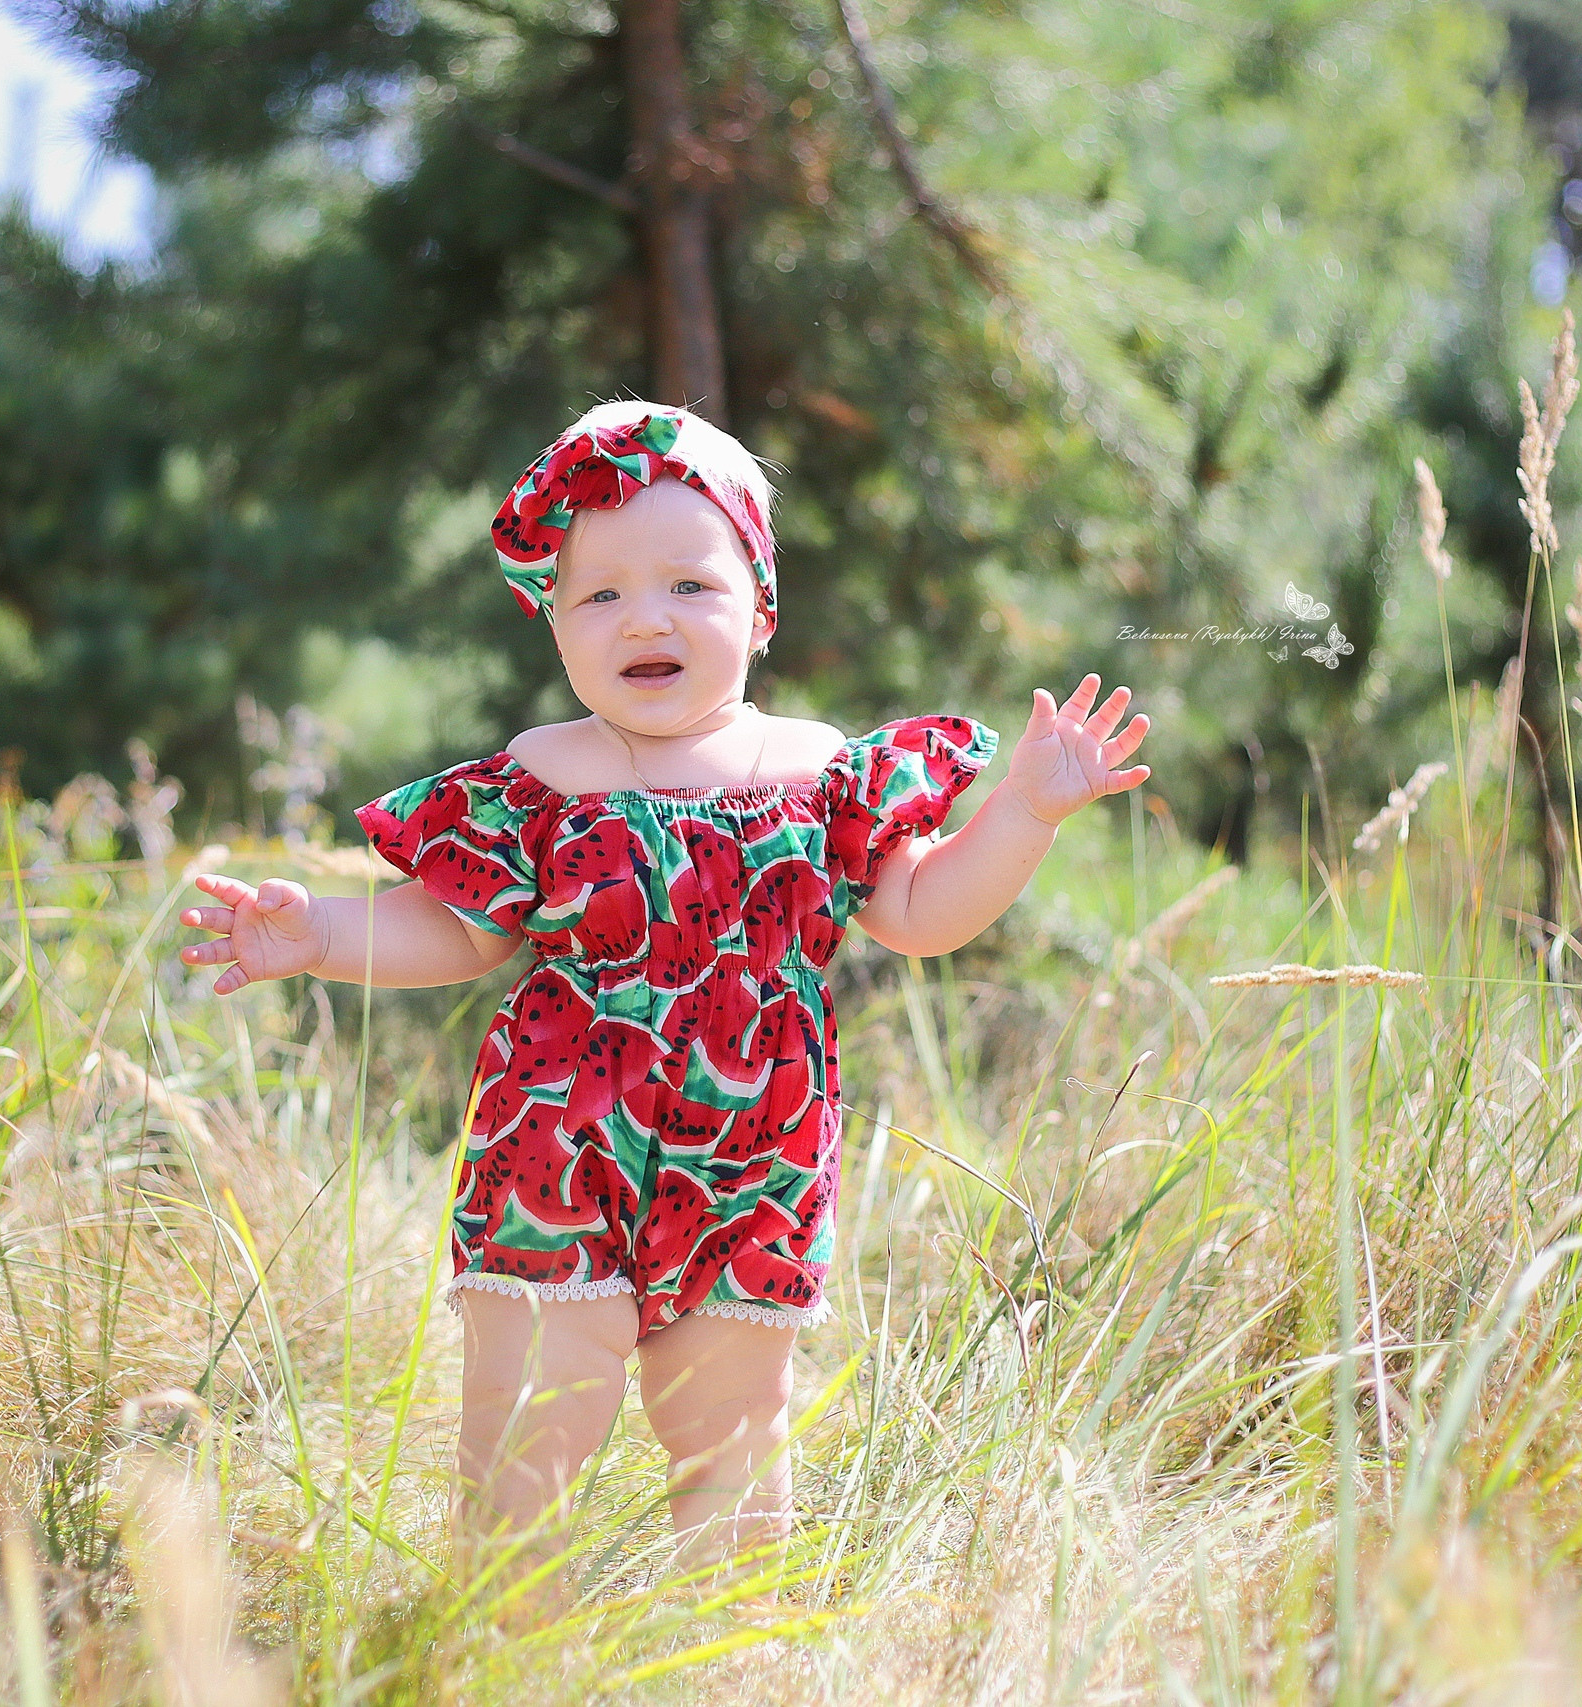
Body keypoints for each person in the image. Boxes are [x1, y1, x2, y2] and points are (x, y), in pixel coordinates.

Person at [177, 400, 1152, 1603]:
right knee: (531, 1418)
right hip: (558, 1144)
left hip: (755, 1162)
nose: (644, 616)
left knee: (733, 1434)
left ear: (760, 602)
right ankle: (499, 1644)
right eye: (600, 596)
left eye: (689, 584)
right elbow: (465, 925)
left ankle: (733, 1654)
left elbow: (920, 912)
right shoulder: (542, 777)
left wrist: (1021, 816)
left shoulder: (817, 773)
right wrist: (320, 932)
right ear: (554, 622)